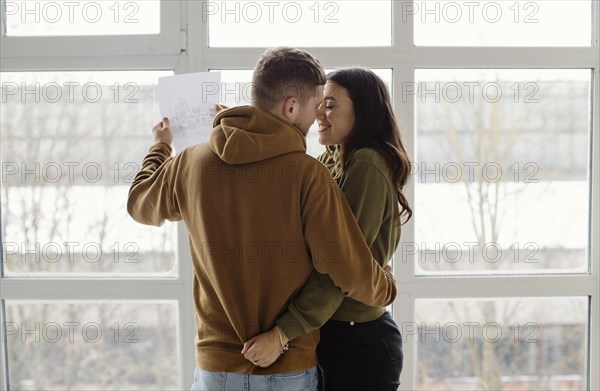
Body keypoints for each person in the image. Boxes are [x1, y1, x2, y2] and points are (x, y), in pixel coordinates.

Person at [127, 48, 397, 391]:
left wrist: (161, 148)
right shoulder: (308, 176)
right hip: (288, 368)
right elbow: (346, 267)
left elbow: (139, 204)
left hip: (215, 368)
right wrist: (386, 286)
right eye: (316, 104)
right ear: (290, 107)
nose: (318, 116)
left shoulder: (190, 162)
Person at [242, 68, 412, 391]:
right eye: (319, 103)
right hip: (336, 333)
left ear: (362, 111)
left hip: (358, 340)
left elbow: (339, 268)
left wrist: (281, 334)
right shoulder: (336, 158)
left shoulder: (366, 164)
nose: (318, 111)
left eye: (330, 105)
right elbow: (287, 181)